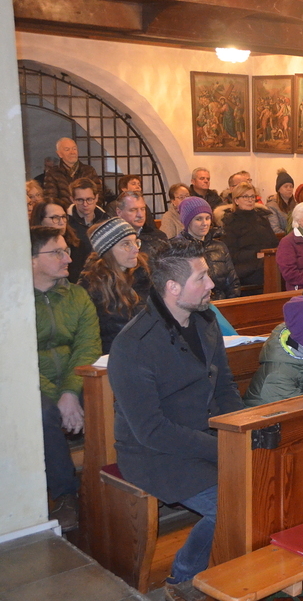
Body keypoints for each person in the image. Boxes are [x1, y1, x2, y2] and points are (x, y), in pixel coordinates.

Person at [108, 238, 244, 600]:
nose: (211, 283)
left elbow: (225, 387)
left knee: (264, 481)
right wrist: (220, 449)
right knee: (232, 502)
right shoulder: (133, 345)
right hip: (153, 454)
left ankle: (240, 570)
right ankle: (183, 580)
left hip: (203, 437)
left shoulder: (205, 321)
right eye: (201, 278)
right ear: (173, 287)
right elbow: (151, 430)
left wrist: (241, 431)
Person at [31, 226, 101, 531]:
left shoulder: (77, 296)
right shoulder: (12, 300)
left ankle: (115, 481)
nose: (68, 259)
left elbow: (88, 346)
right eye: (57, 252)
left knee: (113, 395)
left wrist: (71, 392)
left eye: (67, 251)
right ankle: (65, 496)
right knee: (43, 411)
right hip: (34, 384)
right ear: (32, 259)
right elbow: (18, 357)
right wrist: (58, 397)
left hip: (75, 378)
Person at [78, 217, 152, 353]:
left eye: (136, 242)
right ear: (107, 250)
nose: (135, 249)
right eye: (126, 244)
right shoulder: (92, 286)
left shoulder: (145, 275)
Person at [177, 196, 240, 299]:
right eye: (198, 219)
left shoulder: (219, 247)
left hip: (222, 303)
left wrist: (230, 304)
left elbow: (232, 284)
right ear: (187, 222)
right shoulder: (176, 248)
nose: (205, 223)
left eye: (207, 218)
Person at [221, 182, 279, 291]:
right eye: (245, 197)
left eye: (252, 196)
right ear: (236, 200)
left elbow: (274, 242)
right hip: (246, 268)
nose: (250, 200)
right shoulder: (231, 222)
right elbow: (231, 254)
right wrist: (255, 254)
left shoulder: (261, 218)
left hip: (267, 262)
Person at [31, 199, 87, 283]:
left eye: (63, 217)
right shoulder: (30, 247)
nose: (61, 222)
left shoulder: (78, 246)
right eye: (55, 218)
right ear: (40, 220)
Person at [43, 138, 101, 204]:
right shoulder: (52, 173)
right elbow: (50, 199)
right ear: (59, 154)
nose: (72, 152)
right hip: (63, 210)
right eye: (67, 149)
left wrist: (87, 206)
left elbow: (98, 194)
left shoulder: (89, 170)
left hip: (87, 209)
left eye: (74, 149)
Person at [118, 190, 169, 256]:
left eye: (142, 209)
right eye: (133, 210)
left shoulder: (159, 237)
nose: (140, 215)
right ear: (119, 212)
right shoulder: (112, 240)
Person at [266, 168, 295, 234]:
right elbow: (275, 229)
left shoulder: (296, 205)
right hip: (281, 238)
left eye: (291, 186)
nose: (289, 189)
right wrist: (291, 237)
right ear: (278, 189)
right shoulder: (271, 207)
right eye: (286, 186)